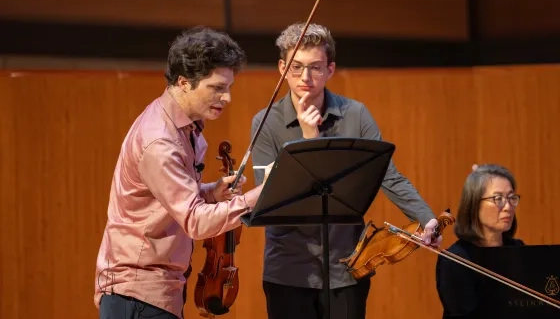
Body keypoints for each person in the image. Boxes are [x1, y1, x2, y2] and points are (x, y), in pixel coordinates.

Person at [250, 22, 443, 319]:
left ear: (330, 69)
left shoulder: (356, 114)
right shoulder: (265, 123)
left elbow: (388, 175)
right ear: (282, 68)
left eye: (315, 67)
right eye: (296, 67)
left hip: (347, 267)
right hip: (288, 272)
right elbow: (268, 197)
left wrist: (425, 218)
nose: (305, 77)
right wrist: (308, 138)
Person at [93, 27, 272, 319]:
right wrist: (258, 195)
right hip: (138, 295)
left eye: (229, 88)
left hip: (152, 292)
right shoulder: (161, 141)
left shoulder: (180, 125)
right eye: (216, 88)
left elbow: (164, 198)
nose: (226, 98)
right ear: (184, 82)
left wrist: (211, 192)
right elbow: (195, 221)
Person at [435, 163, 524, 318]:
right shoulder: (456, 260)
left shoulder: (519, 250)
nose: (508, 207)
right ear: (474, 204)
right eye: (498, 199)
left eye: (511, 198)